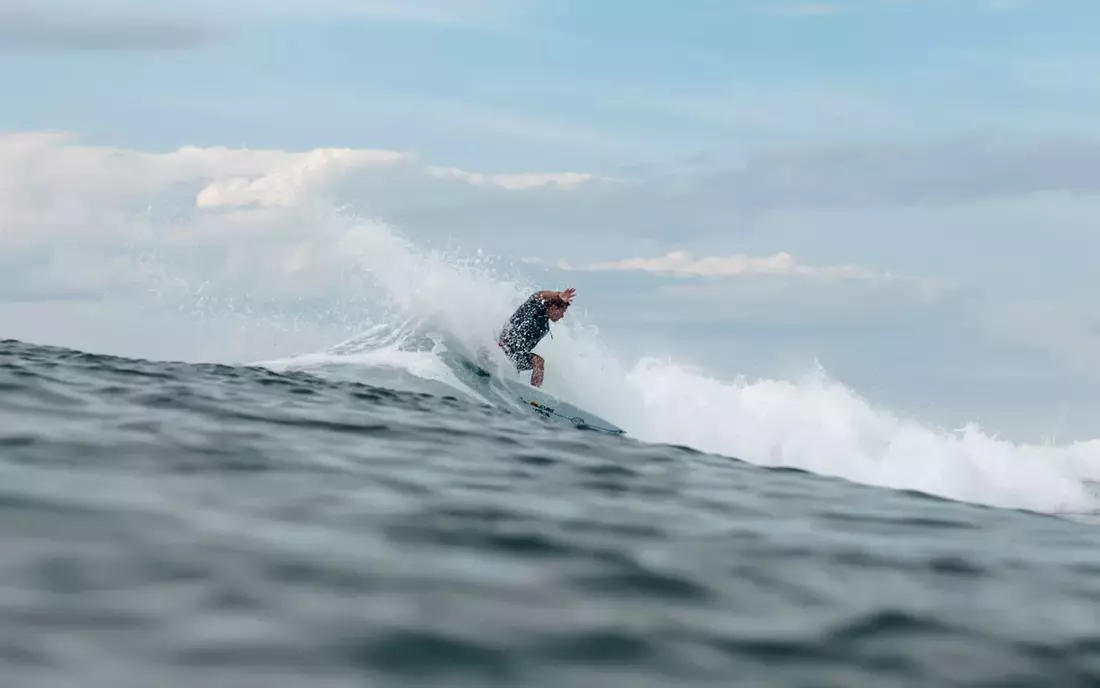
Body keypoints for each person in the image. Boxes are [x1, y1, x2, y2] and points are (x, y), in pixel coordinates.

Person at [497, 287, 575, 387]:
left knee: (537, 362)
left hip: (514, 356)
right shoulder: (534, 307)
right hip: (503, 345)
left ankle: (533, 395)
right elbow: (539, 294)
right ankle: (534, 393)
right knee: (538, 361)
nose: (562, 316)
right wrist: (558, 295)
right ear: (553, 307)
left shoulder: (545, 328)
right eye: (562, 311)